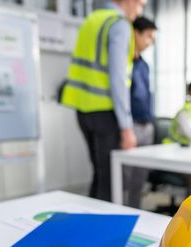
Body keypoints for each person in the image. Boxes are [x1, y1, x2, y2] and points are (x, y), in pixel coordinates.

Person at [61, 0, 146, 202]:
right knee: (111, 180)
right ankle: (105, 231)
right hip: (105, 113)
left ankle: (91, 224)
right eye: (141, 4)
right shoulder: (119, 24)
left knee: (100, 174)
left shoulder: (91, 19)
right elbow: (118, 78)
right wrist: (126, 127)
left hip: (83, 110)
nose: (140, 10)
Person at [125, 16, 157, 208]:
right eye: (148, 36)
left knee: (139, 177)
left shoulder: (144, 65)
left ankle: (134, 210)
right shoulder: (124, 61)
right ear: (135, 33)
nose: (150, 41)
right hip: (132, 125)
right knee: (125, 175)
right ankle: (120, 212)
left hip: (147, 124)